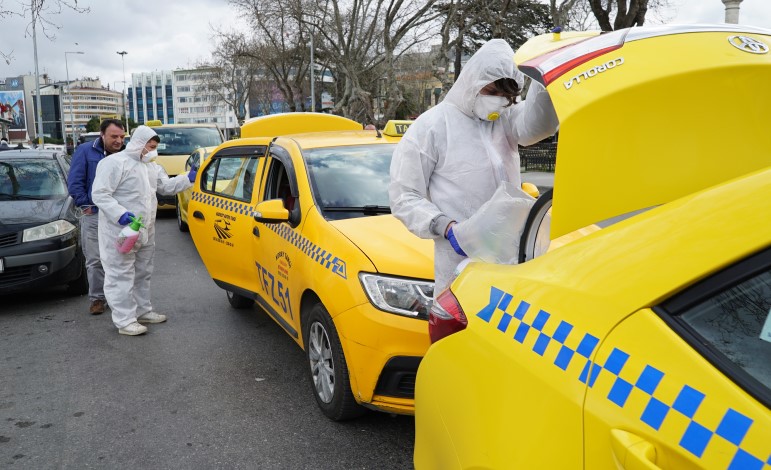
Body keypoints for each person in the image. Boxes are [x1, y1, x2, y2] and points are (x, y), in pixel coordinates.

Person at [388, 39, 559, 293]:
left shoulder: (505, 120)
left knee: (504, 325)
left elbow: (537, 125)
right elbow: (404, 195)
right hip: (459, 260)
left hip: (509, 251)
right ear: (473, 82)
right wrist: (444, 226)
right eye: (493, 92)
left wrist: (547, 71)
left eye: (508, 96)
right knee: (461, 326)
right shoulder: (432, 126)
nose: (500, 102)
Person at [91, 125, 197, 336]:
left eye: (155, 147)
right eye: (150, 146)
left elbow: (165, 187)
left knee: (143, 272)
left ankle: (142, 310)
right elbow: (100, 194)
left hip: (145, 231)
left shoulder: (151, 167)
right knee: (120, 274)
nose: (153, 151)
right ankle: (125, 320)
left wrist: (188, 178)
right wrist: (119, 213)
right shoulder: (113, 163)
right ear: (139, 143)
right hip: (120, 231)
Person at [67, 119, 126, 315]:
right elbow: (75, 181)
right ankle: (97, 299)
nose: (118, 141)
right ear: (102, 135)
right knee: (95, 259)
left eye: (121, 136)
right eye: (114, 136)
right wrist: (86, 204)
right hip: (94, 214)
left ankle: (119, 297)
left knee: (120, 257)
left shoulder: (125, 154)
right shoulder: (86, 151)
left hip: (119, 215)